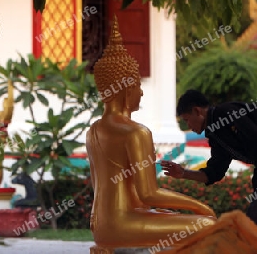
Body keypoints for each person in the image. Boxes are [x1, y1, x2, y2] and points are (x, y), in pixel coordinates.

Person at [86, 18, 216, 252]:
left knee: (171, 216)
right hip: (124, 225)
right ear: (126, 88)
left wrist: (152, 213)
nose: (142, 92)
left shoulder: (93, 130)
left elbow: (101, 186)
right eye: (137, 85)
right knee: (207, 223)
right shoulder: (136, 132)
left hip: (101, 227)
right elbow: (148, 193)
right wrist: (199, 207)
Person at [161, 89, 257, 251]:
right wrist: (183, 173)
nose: (187, 125)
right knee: (255, 218)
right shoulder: (216, 136)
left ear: (197, 111)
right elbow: (214, 173)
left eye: (187, 120)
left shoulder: (226, 113)